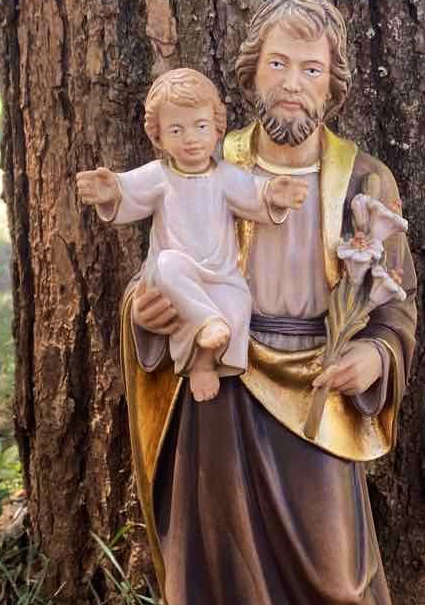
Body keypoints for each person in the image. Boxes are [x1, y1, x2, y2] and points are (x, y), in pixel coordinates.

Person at [123, 0, 421, 605]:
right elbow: (166, 260)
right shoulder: (206, 162)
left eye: (312, 69)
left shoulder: (361, 176)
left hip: (318, 389)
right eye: (279, 64)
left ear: (333, 86)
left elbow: (397, 300)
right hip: (223, 380)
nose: (293, 84)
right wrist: (148, 315)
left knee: (337, 571)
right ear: (253, 70)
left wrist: (375, 352)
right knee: (225, 569)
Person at [77, 68, 307, 401]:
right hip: (176, 278)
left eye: (200, 126)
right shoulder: (159, 176)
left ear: (217, 128)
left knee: (238, 302)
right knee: (169, 264)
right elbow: (127, 192)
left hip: (220, 277)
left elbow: (256, 196)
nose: (190, 138)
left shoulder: (227, 177)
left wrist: (276, 195)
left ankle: (204, 360)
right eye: (176, 129)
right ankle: (208, 325)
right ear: (158, 137)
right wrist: (110, 191)